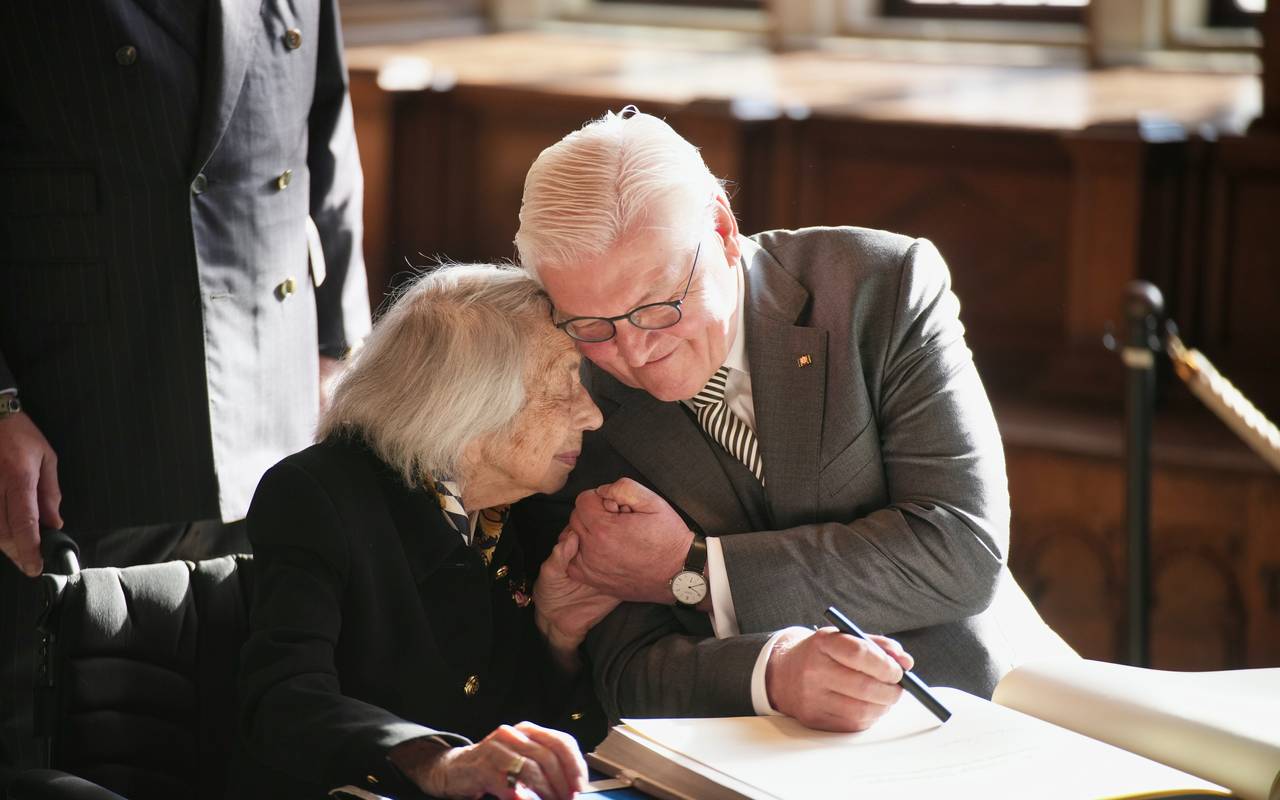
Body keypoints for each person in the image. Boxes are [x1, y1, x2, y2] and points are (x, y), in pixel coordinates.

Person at [512, 108, 1075, 733]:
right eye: (593, 326)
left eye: (658, 307)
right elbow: (627, 669)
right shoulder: (571, 394)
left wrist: (694, 571)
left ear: (723, 234)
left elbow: (960, 551)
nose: (635, 351)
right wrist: (771, 673)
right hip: (743, 754)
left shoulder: (879, 287)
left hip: (980, 711)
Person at [0, 0, 371, 766]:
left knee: (245, 727)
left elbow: (325, 134)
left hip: (279, 401)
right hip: (76, 405)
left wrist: (341, 359)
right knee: (60, 734)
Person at [229, 265, 615, 799]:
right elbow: (284, 700)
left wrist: (559, 644)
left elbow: (541, 738)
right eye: (563, 383)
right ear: (472, 401)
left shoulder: (530, 510)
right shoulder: (319, 495)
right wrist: (437, 760)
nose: (591, 415)